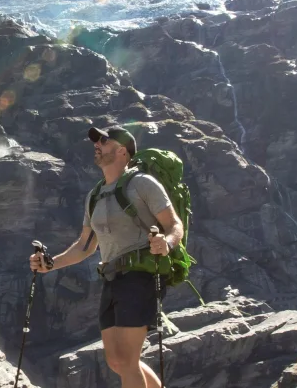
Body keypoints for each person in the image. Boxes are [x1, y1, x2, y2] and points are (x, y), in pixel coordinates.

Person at [28, 126, 184, 388]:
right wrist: (50, 264)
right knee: (117, 361)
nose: (96, 145)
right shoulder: (95, 195)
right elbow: (85, 246)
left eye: (104, 140)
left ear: (123, 151)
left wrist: (166, 244)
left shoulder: (143, 183)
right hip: (112, 278)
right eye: (96, 141)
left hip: (140, 276)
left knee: (126, 359)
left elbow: (174, 225)